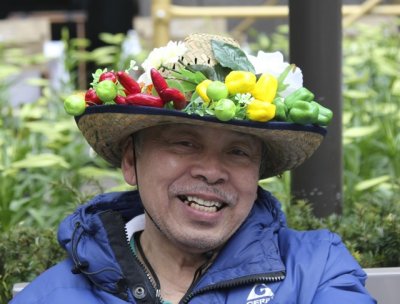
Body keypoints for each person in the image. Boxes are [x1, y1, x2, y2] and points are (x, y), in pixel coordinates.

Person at [10, 33, 376, 304]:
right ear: (130, 161)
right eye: (184, 143)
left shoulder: (317, 270)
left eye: (238, 151)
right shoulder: (51, 297)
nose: (211, 170)